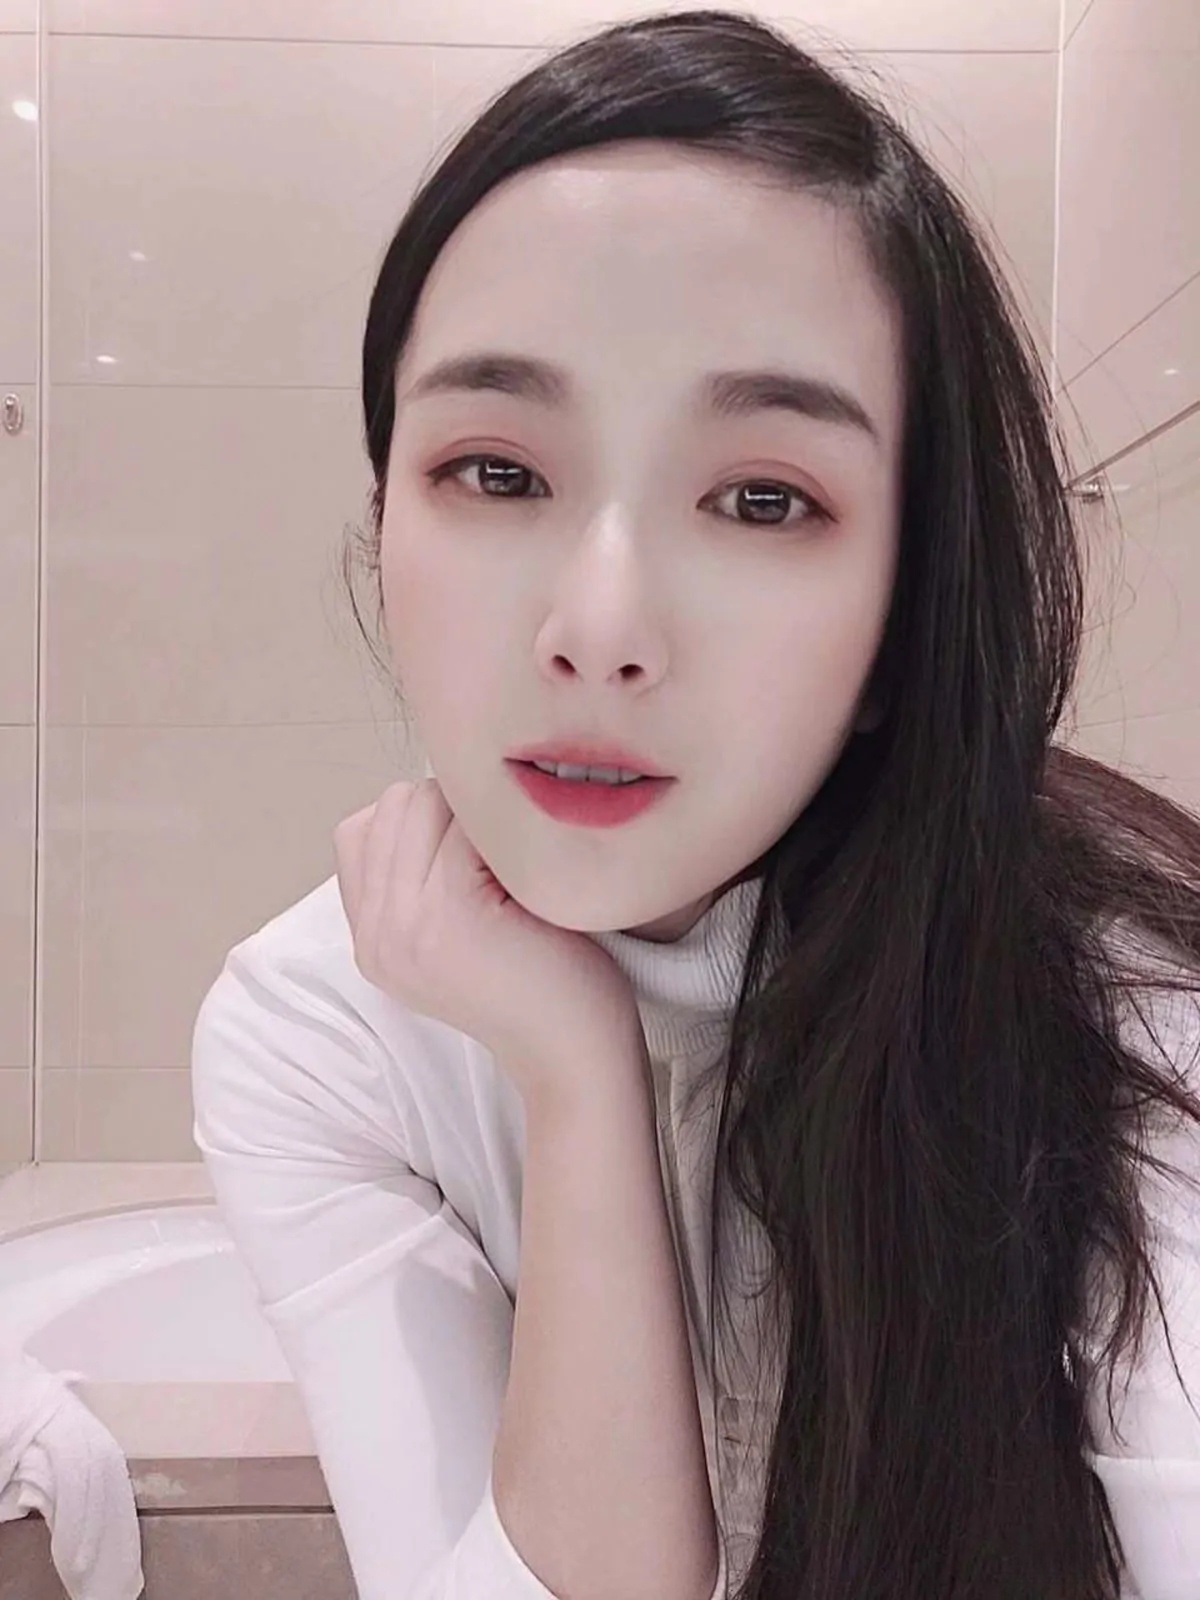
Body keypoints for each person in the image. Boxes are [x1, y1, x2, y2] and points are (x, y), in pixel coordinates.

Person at [190, 10, 1200, 1599]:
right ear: (385, 526)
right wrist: (576, 1073)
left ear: (903, 612)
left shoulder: (1135, 1005)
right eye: (498, 473)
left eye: (762, 498)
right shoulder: (320, 1025)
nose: (599, 629)